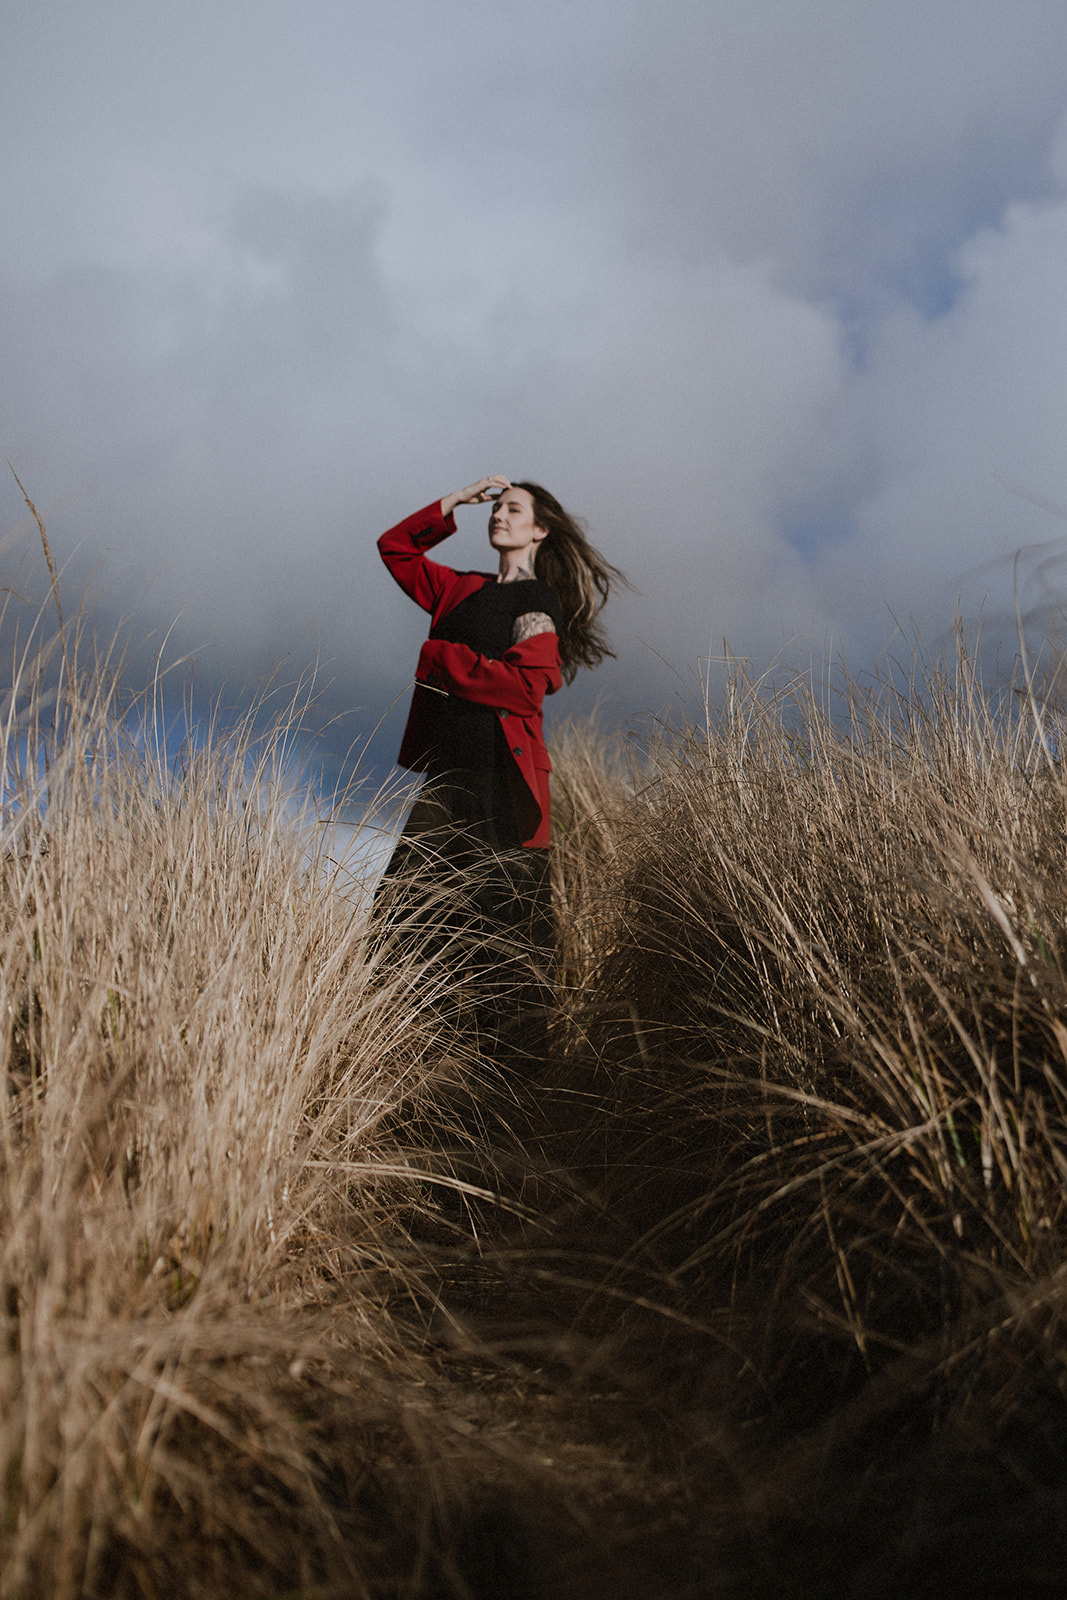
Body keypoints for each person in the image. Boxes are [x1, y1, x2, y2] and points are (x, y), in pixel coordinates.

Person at [375, 474, 623, 1040]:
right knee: (406, 905)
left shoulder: (538, 601)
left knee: (504, 919)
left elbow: (529, 685)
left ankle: (515, 1066)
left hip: (504, 778)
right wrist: (454, 502)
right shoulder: (458, 589)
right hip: (449, 772)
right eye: (496, 509)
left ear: (539, 529)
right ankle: (402, 1043)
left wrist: (443, 660)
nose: (498, 516)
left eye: (513, 510)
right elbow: (395, 547)